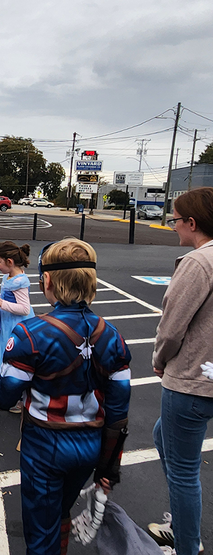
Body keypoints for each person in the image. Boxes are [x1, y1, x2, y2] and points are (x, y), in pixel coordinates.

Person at [0, 238, 131, 555]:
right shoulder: (112, 334)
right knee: (61, 510)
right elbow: (119, 410)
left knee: (40, 530)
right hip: (91, 445)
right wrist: (108, 469)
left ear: (47, 281)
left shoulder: (31, 333)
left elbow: (6, 395)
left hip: (45, 442)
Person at [148, 187, 213, 555]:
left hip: (191, 381)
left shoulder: (198, 262)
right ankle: (185, 526)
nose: (173, 226)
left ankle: (186, 543)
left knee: (185, 471)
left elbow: (172, 327)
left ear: (192, 222)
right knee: (162, 437)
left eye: (175, 220)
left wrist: (159, 359)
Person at [0, 242, 35, 390]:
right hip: (5, 321)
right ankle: (0, 390)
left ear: (10, 261)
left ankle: (9, 393)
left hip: (13, 325)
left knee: (7, 358)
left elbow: (24, 309)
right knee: (0, 357)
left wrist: (1, 303)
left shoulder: (20, 282)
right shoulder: (9, 276)